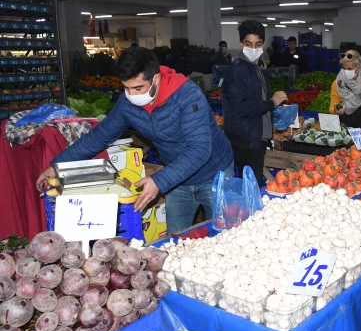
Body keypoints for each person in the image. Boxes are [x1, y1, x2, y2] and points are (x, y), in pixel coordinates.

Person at [35, 46, 234, 234]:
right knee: (175, 241)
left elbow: (199, 149)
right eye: (126, 88)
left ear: (156, 79)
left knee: (224, 236)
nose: (132, 95)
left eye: (138, 88)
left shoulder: (188, 96)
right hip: (177, 180)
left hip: (214, 175)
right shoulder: (127, 103)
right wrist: (58, 165)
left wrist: (159, 180)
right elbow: (99, 136)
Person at [222, 20, 288, 186]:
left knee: (253, 187)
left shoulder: (259, 68)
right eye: (248, 44)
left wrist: (273, 114)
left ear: (263, 44)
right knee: (251, 189)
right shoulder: (237, 70)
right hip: (245, 140)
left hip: (257, 138)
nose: (253, 49)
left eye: (257, 44)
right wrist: (272, 103)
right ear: (240, 43)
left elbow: (258, 99)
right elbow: (241, 107)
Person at [328, 50, 361, 131]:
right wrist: (336, 110)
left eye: (349, 69)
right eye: (344, 68)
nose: (346, 71)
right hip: (346, 128)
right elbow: (332, 108)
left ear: (358, 67)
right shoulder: (338, 83)